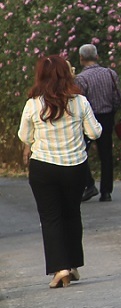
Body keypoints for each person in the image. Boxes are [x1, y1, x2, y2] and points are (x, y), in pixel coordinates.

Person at [18, 55, 101, 288]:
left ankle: (60, 267)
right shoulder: (80, 102)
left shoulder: (33, 104)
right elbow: (94, 133)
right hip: (75, 167)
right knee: (72, 213)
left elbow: (25, 136)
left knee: (51, 217)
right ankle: (73, 264)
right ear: (67, 74)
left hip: (43, 167)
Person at [75, 43, 121, 202]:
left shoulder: (81, 79)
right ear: (97, 56)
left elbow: (79, 102)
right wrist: (112, 112)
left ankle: (89, 185)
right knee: (106, 155)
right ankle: (106, 191)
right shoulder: (110, 74)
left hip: (88, 118)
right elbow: (117, 98)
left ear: (81, 59)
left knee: (81, 153)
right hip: (107, 116)